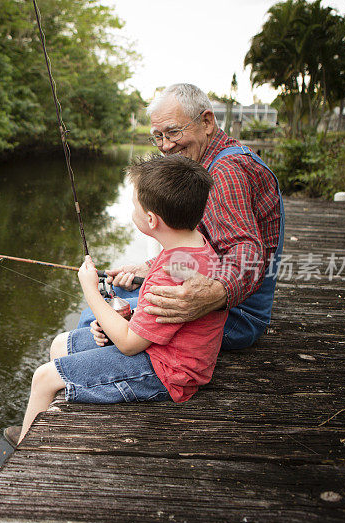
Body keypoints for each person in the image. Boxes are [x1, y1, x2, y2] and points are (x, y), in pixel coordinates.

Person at [0, 154, 227, 492]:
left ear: (151, 220)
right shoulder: (194, 249)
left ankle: (17, 470)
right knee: (59, 346)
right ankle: (44, 429)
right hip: (165, 352)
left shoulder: (165, 274)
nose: (132, 211)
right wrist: (123, 315)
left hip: (168, 374)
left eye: (134, 205)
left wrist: (90, 290)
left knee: (44, 377)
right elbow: (155, 320)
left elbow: (128, 343)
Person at [78, 83, 285, 351]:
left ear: (207, 122)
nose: (165, 145)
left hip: (239, 317)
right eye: (158, 136)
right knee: (112, 300)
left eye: (173, 132)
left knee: (96, 323)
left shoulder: (225, 172)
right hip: (223, 300)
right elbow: (206, 242)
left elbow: (246, 251)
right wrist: (149, 266)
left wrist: (214, 294)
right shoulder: (203, 164)